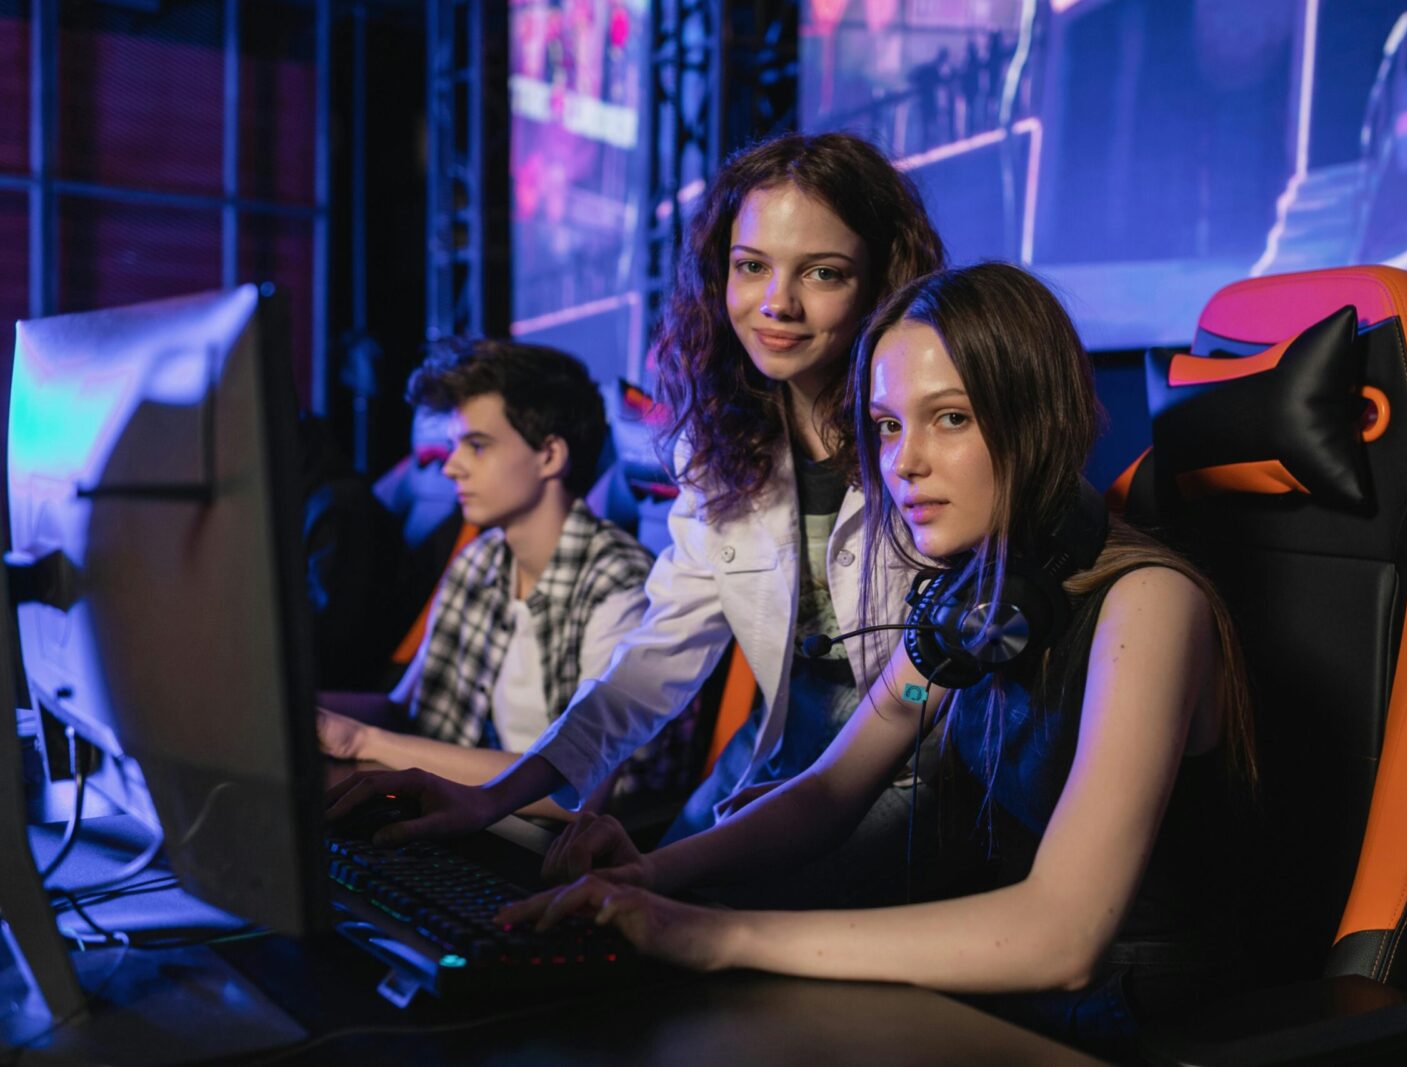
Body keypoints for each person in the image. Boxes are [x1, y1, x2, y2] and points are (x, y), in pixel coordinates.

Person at [493, 264, 1257, 1055]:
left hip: (1124, 1029)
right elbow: (829, 790)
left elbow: (1060, 937)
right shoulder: (971, 603)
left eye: (950, 418)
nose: (904, 462)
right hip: (993, 1007)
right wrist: (656, 872)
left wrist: (716, 934)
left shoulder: (1151, 605)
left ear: (1037, 419)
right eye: (889, 425)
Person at [328, 132, 947, 885]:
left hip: (921, 779)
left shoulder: (934, 439)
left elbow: (924, 702)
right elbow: (654, 663)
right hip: (784, 762)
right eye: (751, 267)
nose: (776, 303)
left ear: (883, 281)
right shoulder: (721, 448)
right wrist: (491, 799)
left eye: (822, 272)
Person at [317, 339, 654, 814]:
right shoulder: (480, 561)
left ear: (550, 456)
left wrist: (362, 742)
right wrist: (293, 710)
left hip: (563, 853)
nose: (452, 465)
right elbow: (403, 709)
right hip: (464, 824)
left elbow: (584, 789)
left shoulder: (619, 582)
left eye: (477, 446)